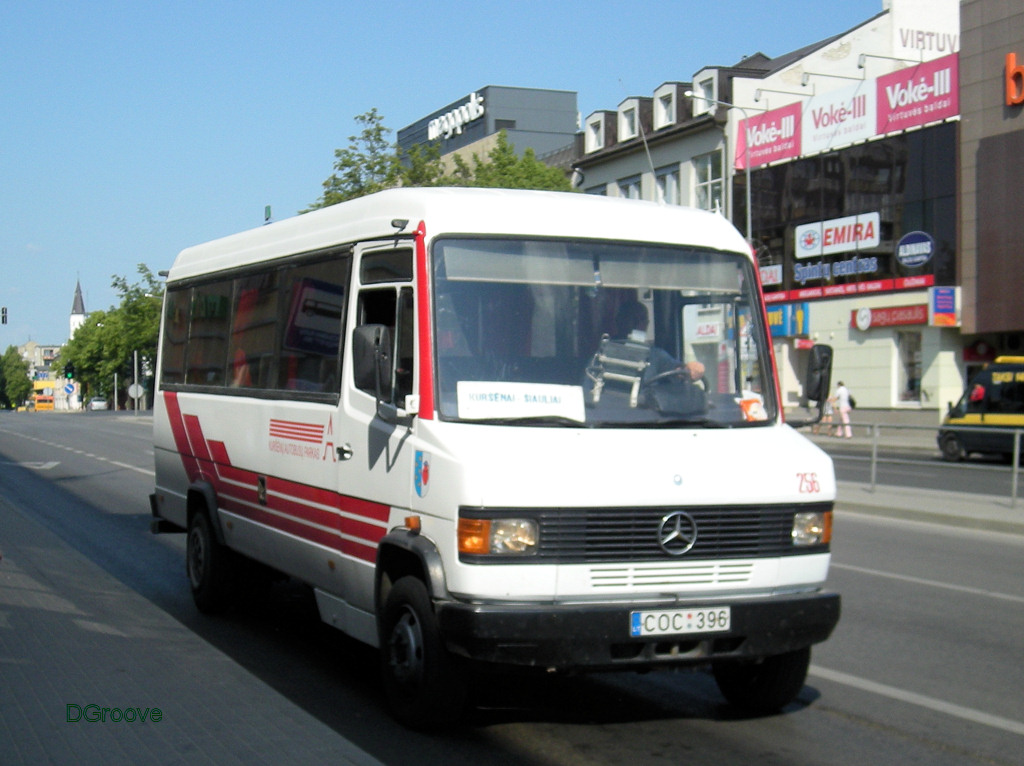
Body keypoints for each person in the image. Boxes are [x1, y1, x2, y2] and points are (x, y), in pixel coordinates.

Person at [614, 299, 704, 382]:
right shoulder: (605, 350)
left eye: (642, 320)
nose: (638, 325)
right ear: (619, 321)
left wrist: (692, 369)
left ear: (646, 324)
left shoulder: (655, 355)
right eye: (632, 319)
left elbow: (678, 370)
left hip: (646, 399)